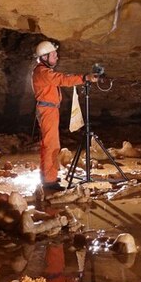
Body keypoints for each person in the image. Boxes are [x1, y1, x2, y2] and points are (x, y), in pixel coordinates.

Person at [32, 41, 97, 191]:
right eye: (54, 55)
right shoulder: (43, 72)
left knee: (48, 144)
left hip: (48, 110)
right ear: (45, 57)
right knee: (52, 146)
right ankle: (49, 181)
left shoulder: (41, 71)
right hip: (48, 111)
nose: (57, 57)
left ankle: (48, 175)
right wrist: (84, 78)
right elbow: (63, 79)